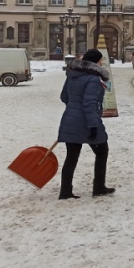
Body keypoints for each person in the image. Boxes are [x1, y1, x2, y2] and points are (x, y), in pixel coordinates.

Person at [57, 48, 114, 199]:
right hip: (86, 121)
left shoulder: (72, 75)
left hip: (69, 118)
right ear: (96, 62)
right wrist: (93, 125)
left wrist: (73, 107)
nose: (102, 63)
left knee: (71, 156)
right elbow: (90, 104)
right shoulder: (93, 79)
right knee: (102, 151)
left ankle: (65, 191)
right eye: (100, 60)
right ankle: (99, 187)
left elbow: (64, 97)